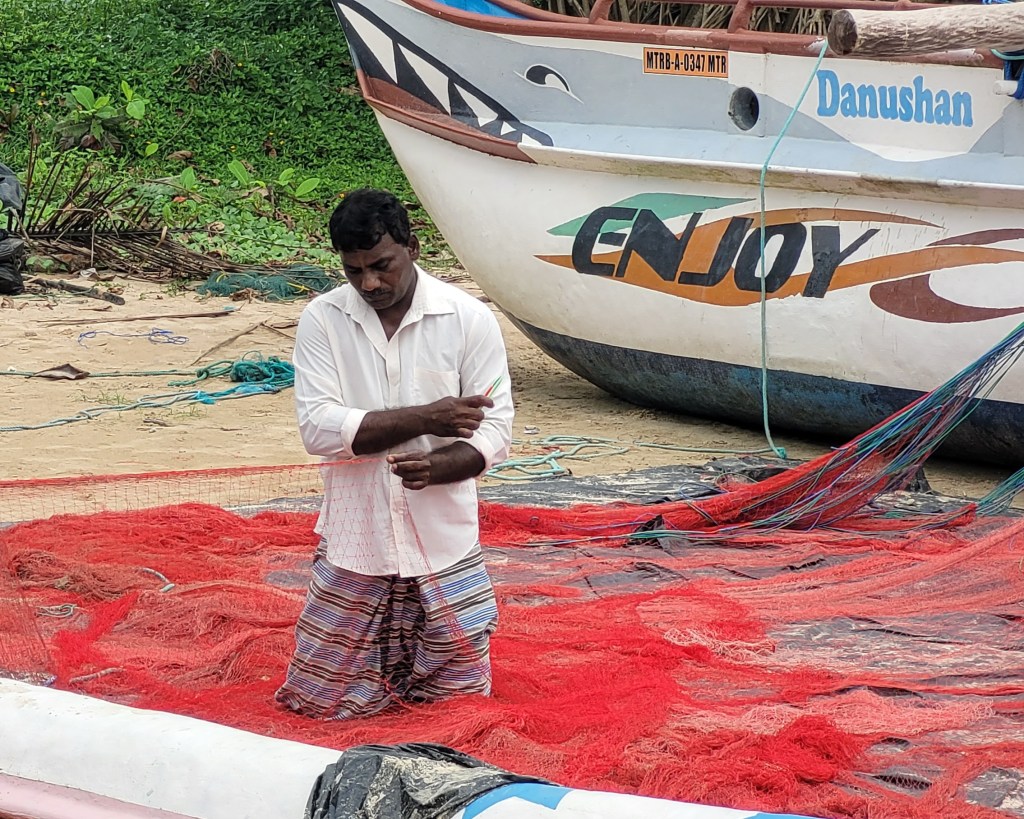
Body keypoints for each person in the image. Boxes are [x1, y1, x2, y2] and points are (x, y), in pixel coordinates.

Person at [275, 188, 514, 720]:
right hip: (356, 538)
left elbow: (496, 429)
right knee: (320, 702)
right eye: (354, 271)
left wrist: (440, 468)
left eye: (381, 266)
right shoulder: (323, 319)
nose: (369, 284)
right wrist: (427, 418)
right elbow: (318, 429)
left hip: (444, 538)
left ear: (413, 247)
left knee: (456, 702)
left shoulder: (468, 318)